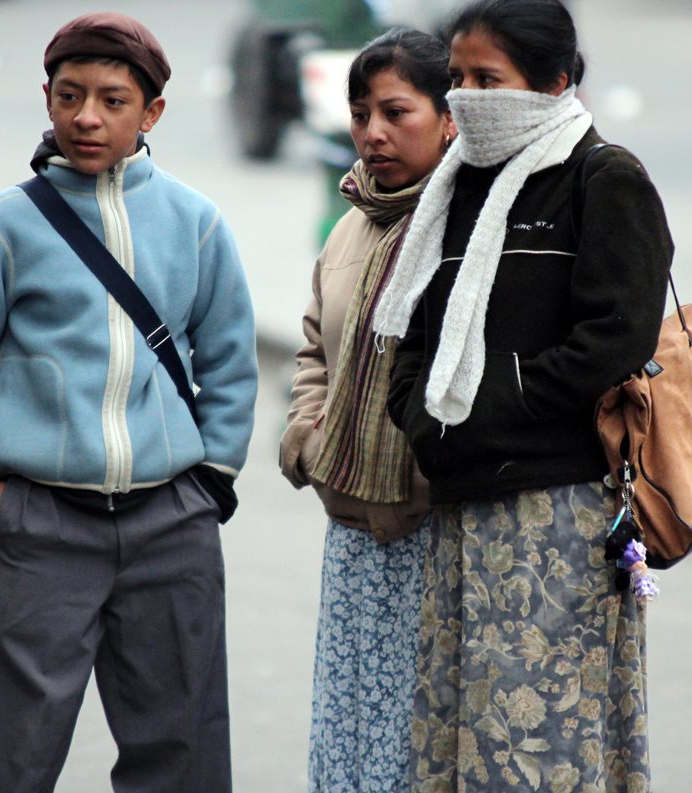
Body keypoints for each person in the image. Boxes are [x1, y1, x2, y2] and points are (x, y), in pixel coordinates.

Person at [0, 12, 257, 792]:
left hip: (172, 520)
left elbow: (231, 361)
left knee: (182, 745)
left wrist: (211, 482)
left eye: (111, 99)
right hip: (40, 523)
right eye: (69, 97)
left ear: (152, 113)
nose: (87, 118)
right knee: (12, 747)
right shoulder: (0, 228)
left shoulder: (197, 224)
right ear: (47, 98)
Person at [372, 1, 673, 790]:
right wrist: (418, 413)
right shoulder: (456, 183)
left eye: (488, 78)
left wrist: (488, 404)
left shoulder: (603, 178)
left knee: (540, 747)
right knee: (458, 739)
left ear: (555, 82)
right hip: (460, 505)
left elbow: (615, 339)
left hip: (556, 518)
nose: (467, 97)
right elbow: (415, 331)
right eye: (458, 78)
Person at [279, 28, 454, 793]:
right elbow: (316, 343)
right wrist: (308, 436)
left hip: (435, 536)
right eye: (360, 115)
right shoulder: (353, 220)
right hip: (352, 533)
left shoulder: (470, 232)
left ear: (450, 118)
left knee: (416, 750)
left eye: (396, 111)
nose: (373, 133)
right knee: (348, 739)